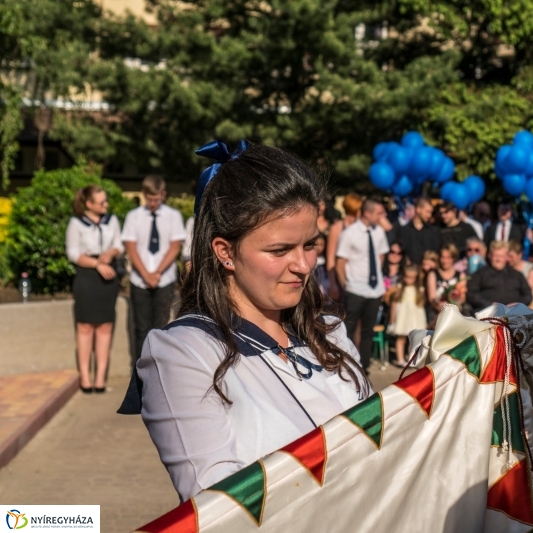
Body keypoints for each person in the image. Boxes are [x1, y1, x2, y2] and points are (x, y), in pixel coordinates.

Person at [123, 141, 370, 503]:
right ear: (225, 252)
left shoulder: (329, 330)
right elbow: (220, 507)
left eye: (310, 245)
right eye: (280, 250)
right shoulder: (184, 353)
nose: (304, 266)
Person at [66, 185, 124, 393]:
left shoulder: (112, 220)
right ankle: (85, 378)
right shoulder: (76, 223)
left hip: (108, 278)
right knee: (85, 327)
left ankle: (100, 379)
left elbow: (119, 244)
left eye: (106, 201)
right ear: (89, 204)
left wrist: (111, 253)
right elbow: (73, 253)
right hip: (87, 277)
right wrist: (97, 264)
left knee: (105, 327)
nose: (106, 205)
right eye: (101, 202)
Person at [121, 175, 185, 363]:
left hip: (164, 279)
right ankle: (139, 367)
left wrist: (157, 273)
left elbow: (175, 247)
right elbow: (131, 248)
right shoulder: (134, 217)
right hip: (139, 280)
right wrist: (145, 274)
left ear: (163, 194)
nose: (153, 203)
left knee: (161, 327)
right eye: (149, 199)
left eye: (156, 199)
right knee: (141, 328)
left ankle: (158, 367)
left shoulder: (173, 216)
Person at [336, 199, 390, 373]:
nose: (383, 216)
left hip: (374, 290)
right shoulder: (349, 234)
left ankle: (364, 366)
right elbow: (340, 263)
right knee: (349, 330)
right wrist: (346, 286)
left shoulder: (379, 232)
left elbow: (381, 256)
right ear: (367, 213)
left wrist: (377, 279)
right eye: (379, 213)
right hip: (355, 289)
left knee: (368, 331)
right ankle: (348, 365)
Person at [467, 241, 532, 310]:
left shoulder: (517, 275)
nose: (498, 259)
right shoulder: (480, 274)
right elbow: (471, 295)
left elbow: (528, 295)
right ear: (490, 255)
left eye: (501, 256)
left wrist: (518, 304)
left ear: (507, 257)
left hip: (514, 312)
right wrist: (490, 304)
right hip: (488, 312)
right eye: (496, 256)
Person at [387, 263, 427, 367]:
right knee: (401, 338)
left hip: (415, 317)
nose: (409, 280)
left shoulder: (420, 289)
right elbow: (394, 304)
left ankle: (411, 358)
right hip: (403, 317)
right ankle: (400, 359)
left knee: (414, 339)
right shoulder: (399, 288)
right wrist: (392, 318)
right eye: (406, 277)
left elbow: (421, 304)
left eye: (412, 278)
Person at [325, 193, 362, 301]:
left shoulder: (362, 227)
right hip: (342, 278)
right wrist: (333, 284)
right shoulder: (337, 228)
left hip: (359, 277)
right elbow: (331, 258)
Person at [426, 244, 466, 320]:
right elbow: (432, 298)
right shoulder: (433, 274)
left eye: (448, 257)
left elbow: (462, 297)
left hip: (456, 311)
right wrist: (439, 306)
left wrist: (454, 305)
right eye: (443, 257)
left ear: (453, 258)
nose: (445, 261)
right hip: (437, 311)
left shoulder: (460, 275)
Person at [395, 197, 440, 265]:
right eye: (427, 212)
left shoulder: (433, 231)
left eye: (431, 212)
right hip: (410, 269)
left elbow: (435, 252)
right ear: (418, 209)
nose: (429, 215)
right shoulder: (404, 230)